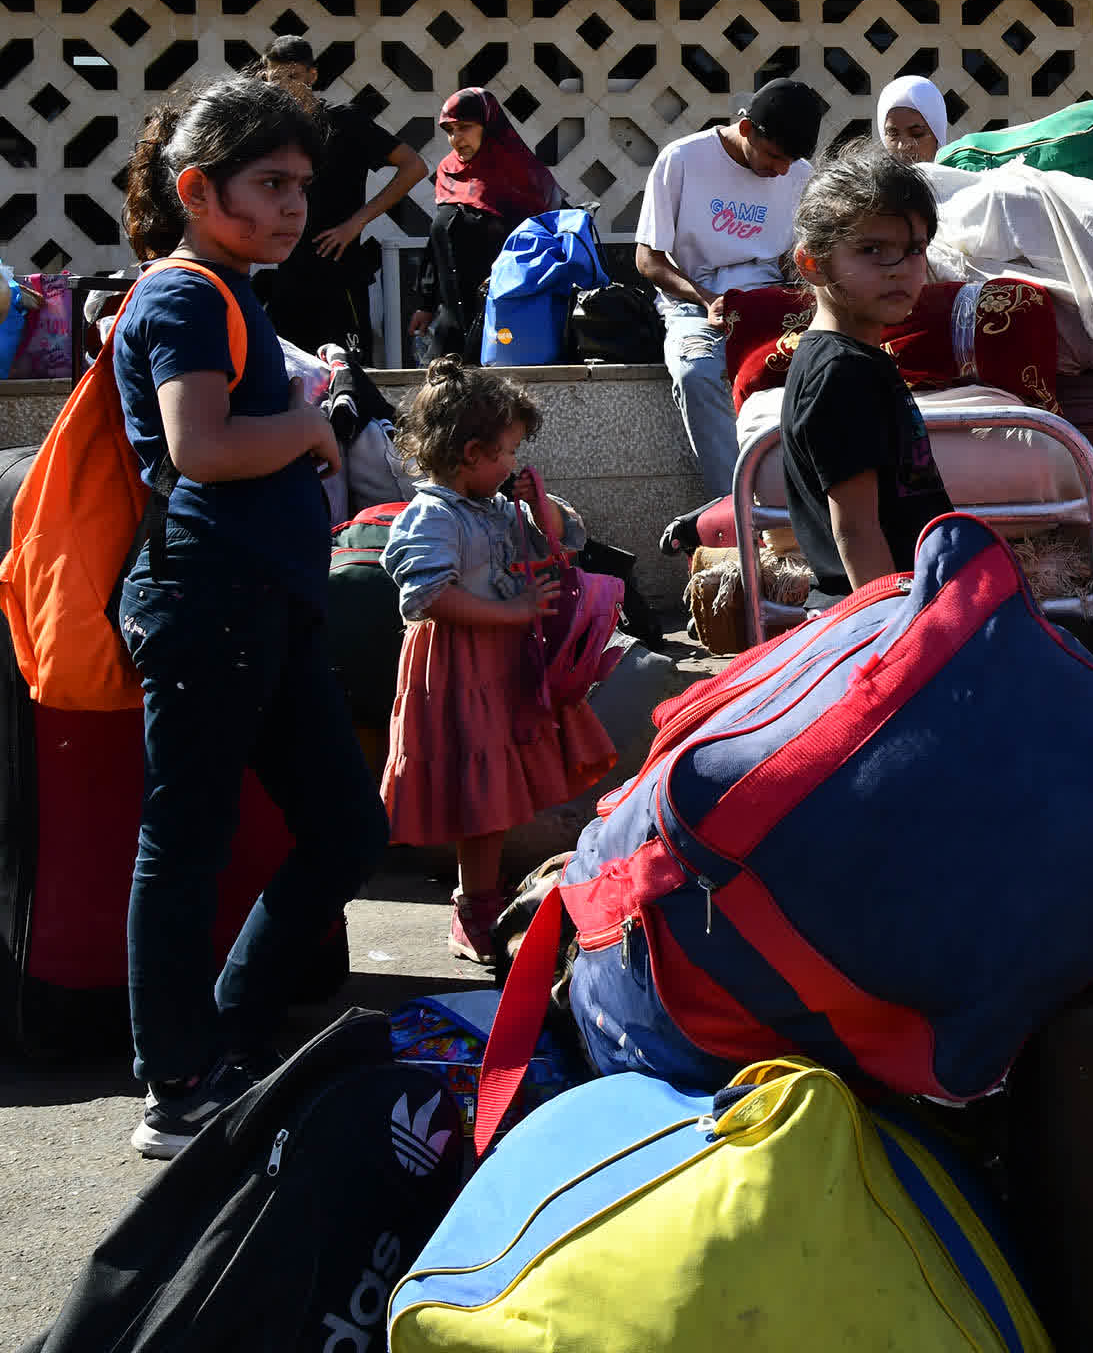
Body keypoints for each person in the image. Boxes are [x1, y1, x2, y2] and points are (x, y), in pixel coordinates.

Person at [111, 77, 387, 1159]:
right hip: (207, 600)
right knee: (184, 844)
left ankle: (224, 1031)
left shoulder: (224, 290)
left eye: (301, 187)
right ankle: (175, 1083)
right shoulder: (185, 295)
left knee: (346, 829)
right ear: (195, 188)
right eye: (267, 184)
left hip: (261, 603)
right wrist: (311, 430)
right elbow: (203, 448)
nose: (291, 207)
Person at [380, 359, 616, 965]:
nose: (514, 464)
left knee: (498, 787)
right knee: (480, 793)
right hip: (460, 668)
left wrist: (541, 510)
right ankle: (474, 909)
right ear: (468, 455)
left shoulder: (491, 507)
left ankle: (482, 898)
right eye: (506, 453)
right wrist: (512, 614)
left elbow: (563, 545)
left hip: (501, 665)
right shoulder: (433, 516)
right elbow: (427, 595)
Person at [779, 144, 957, 604]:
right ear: (812, 263)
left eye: (913, 249)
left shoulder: (856, 359)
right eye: (872, 249)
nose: (900, 270)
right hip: (880, 610)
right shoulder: (840, 374)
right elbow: (856, 531)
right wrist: (895, 633)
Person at [633, 78, 822, 498]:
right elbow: (647, 259)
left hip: (770, 300)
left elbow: (798, 259)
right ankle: (735, 511)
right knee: (697, 373)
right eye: (774, 156)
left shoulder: (799, 175)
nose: (781, 171)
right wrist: (705, 300)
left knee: (822, 367)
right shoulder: (681, 159)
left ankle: (802, 508)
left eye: (790, 161)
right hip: (694, 301)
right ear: (746, 130)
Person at [249, 38, 429, 360]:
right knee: (288, 378)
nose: (283, 87)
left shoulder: (346, 122)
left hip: (339, 276)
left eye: (292, 77)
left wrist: (355, 222)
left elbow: (414, 166)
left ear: (312, 76)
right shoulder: (270, 135)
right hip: (288, 279)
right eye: (275, 80)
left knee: (349, 377)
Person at [410, 88, 563, 365]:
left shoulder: (523, 177)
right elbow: (438, 242)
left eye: (465, 127)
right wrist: (426, 302)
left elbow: (544, 249)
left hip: (504, 325)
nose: (456, 139)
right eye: (450, 130)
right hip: (452, 323)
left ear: (489, 125)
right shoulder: (449, 172)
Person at [874, 77, 949, 166]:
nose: (902, 146)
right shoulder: (870, 179)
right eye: (892, 134)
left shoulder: (960, 178)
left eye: (916, 133)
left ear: (937, 135)